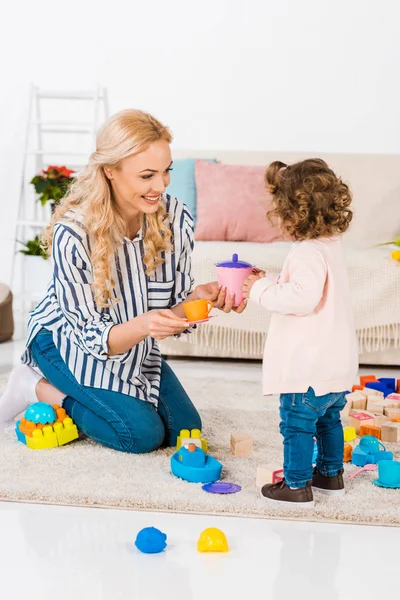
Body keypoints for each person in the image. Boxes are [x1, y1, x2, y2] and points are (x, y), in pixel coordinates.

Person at [0, 109, 245, 452]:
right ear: (110, 172)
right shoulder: (75, 233)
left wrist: (197, 301)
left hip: (134, 346)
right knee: (139, 434)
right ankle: (36, 386)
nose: (160, 186)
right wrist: (145, 325)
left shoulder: (175, 219)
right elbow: (90, 336)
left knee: (184, 431)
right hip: (67, 344)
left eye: (166, 172)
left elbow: (172, 305)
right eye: (147, 176)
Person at [242, 159, 358, 506]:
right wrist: (272, 279)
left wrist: (258, 290)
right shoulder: (330, 246)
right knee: (329, 421)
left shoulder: (307, 251)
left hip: (308, 368)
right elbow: (311, 289)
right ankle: (330, 474)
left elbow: (303, 298)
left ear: (296, 213)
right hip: (334, 367)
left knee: (297, 424)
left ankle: (296, 484)